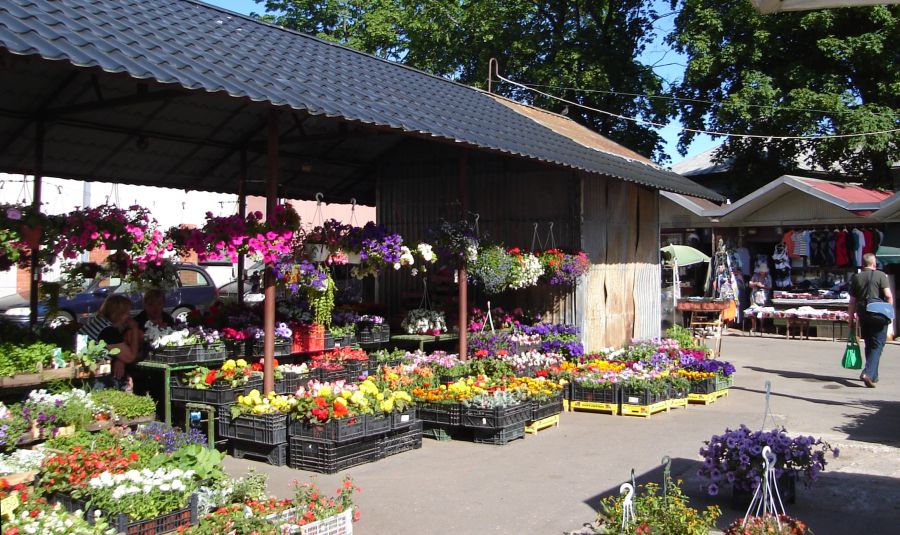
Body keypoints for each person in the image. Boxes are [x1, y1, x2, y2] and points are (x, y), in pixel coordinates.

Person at [848, 253, 894, 387]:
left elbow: (852, 302)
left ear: (863, 264)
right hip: (878, 314)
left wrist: (850, 320)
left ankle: (873, 375)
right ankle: (868, 373)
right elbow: (888, 296)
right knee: (878, 345)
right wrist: (889, 312)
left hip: (863, 313)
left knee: (869, 344)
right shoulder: (880, 275)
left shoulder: (856, 277)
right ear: (874, 264)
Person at [79, 294, 140, 390]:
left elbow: (117, 348)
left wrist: (120, 360)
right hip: (96, 378)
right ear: (117, 314)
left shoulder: (99, 321)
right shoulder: (108, 331)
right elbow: (130, 357)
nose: (128, 317)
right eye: (126, 313)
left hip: (85, 371)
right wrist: (135, 328)